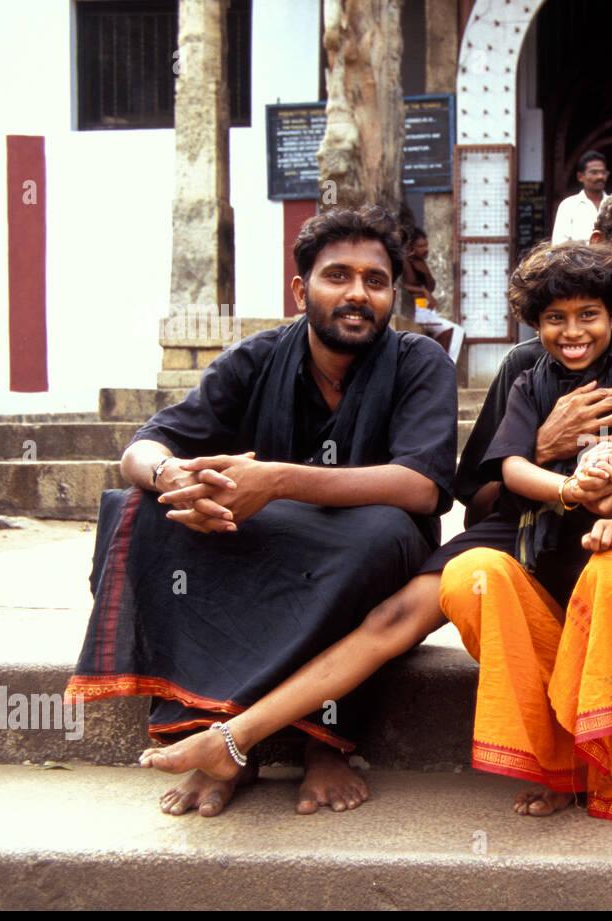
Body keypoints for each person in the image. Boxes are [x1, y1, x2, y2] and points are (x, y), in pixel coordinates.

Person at [137, 176, 612, 826]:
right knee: (454, 585)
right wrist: (548, 453)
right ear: (598, 246)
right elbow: (481, 503)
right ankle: (235, 736)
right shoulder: (531, 368)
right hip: (542, 555)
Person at [75, 205, 457, 818]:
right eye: (338, 276)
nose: (358, 294)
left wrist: (277, 481)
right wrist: (174, 478)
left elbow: (422, 487)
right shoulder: (257, 357)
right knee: (138, 509)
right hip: (268, 543)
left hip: (368, 549)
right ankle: (209, 729)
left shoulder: (419, 361)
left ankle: (323, 740)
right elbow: (142, 448)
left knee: (379, 534)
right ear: (302, 289)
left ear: (394, 294)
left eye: (376, 280)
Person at [429, 241, 612, 821]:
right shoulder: (528, 381)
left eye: (588, 315)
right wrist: (567, 488)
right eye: (554, 318)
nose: (572, 332)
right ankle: (559, 761)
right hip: (553, 530)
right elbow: (511, 468)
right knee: (467, 577)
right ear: (535, 323)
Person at [400, 221, 466, 362]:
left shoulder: (419, 262)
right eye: (421, 246)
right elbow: (404, 285)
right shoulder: (405, 262)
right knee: (456, 331)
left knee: (449, 332)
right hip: (416, 311)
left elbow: (431, 285)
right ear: (411, 247)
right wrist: (423, 291)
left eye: (426, 245)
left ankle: (441, 363)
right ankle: (448, 364)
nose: (425, 249)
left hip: (425, 310)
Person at [551, 150, 610, 244]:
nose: (600, 176)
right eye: (594, 172)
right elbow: (558, 245)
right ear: (580, 177)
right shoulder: (568, 205)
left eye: (603, 172)